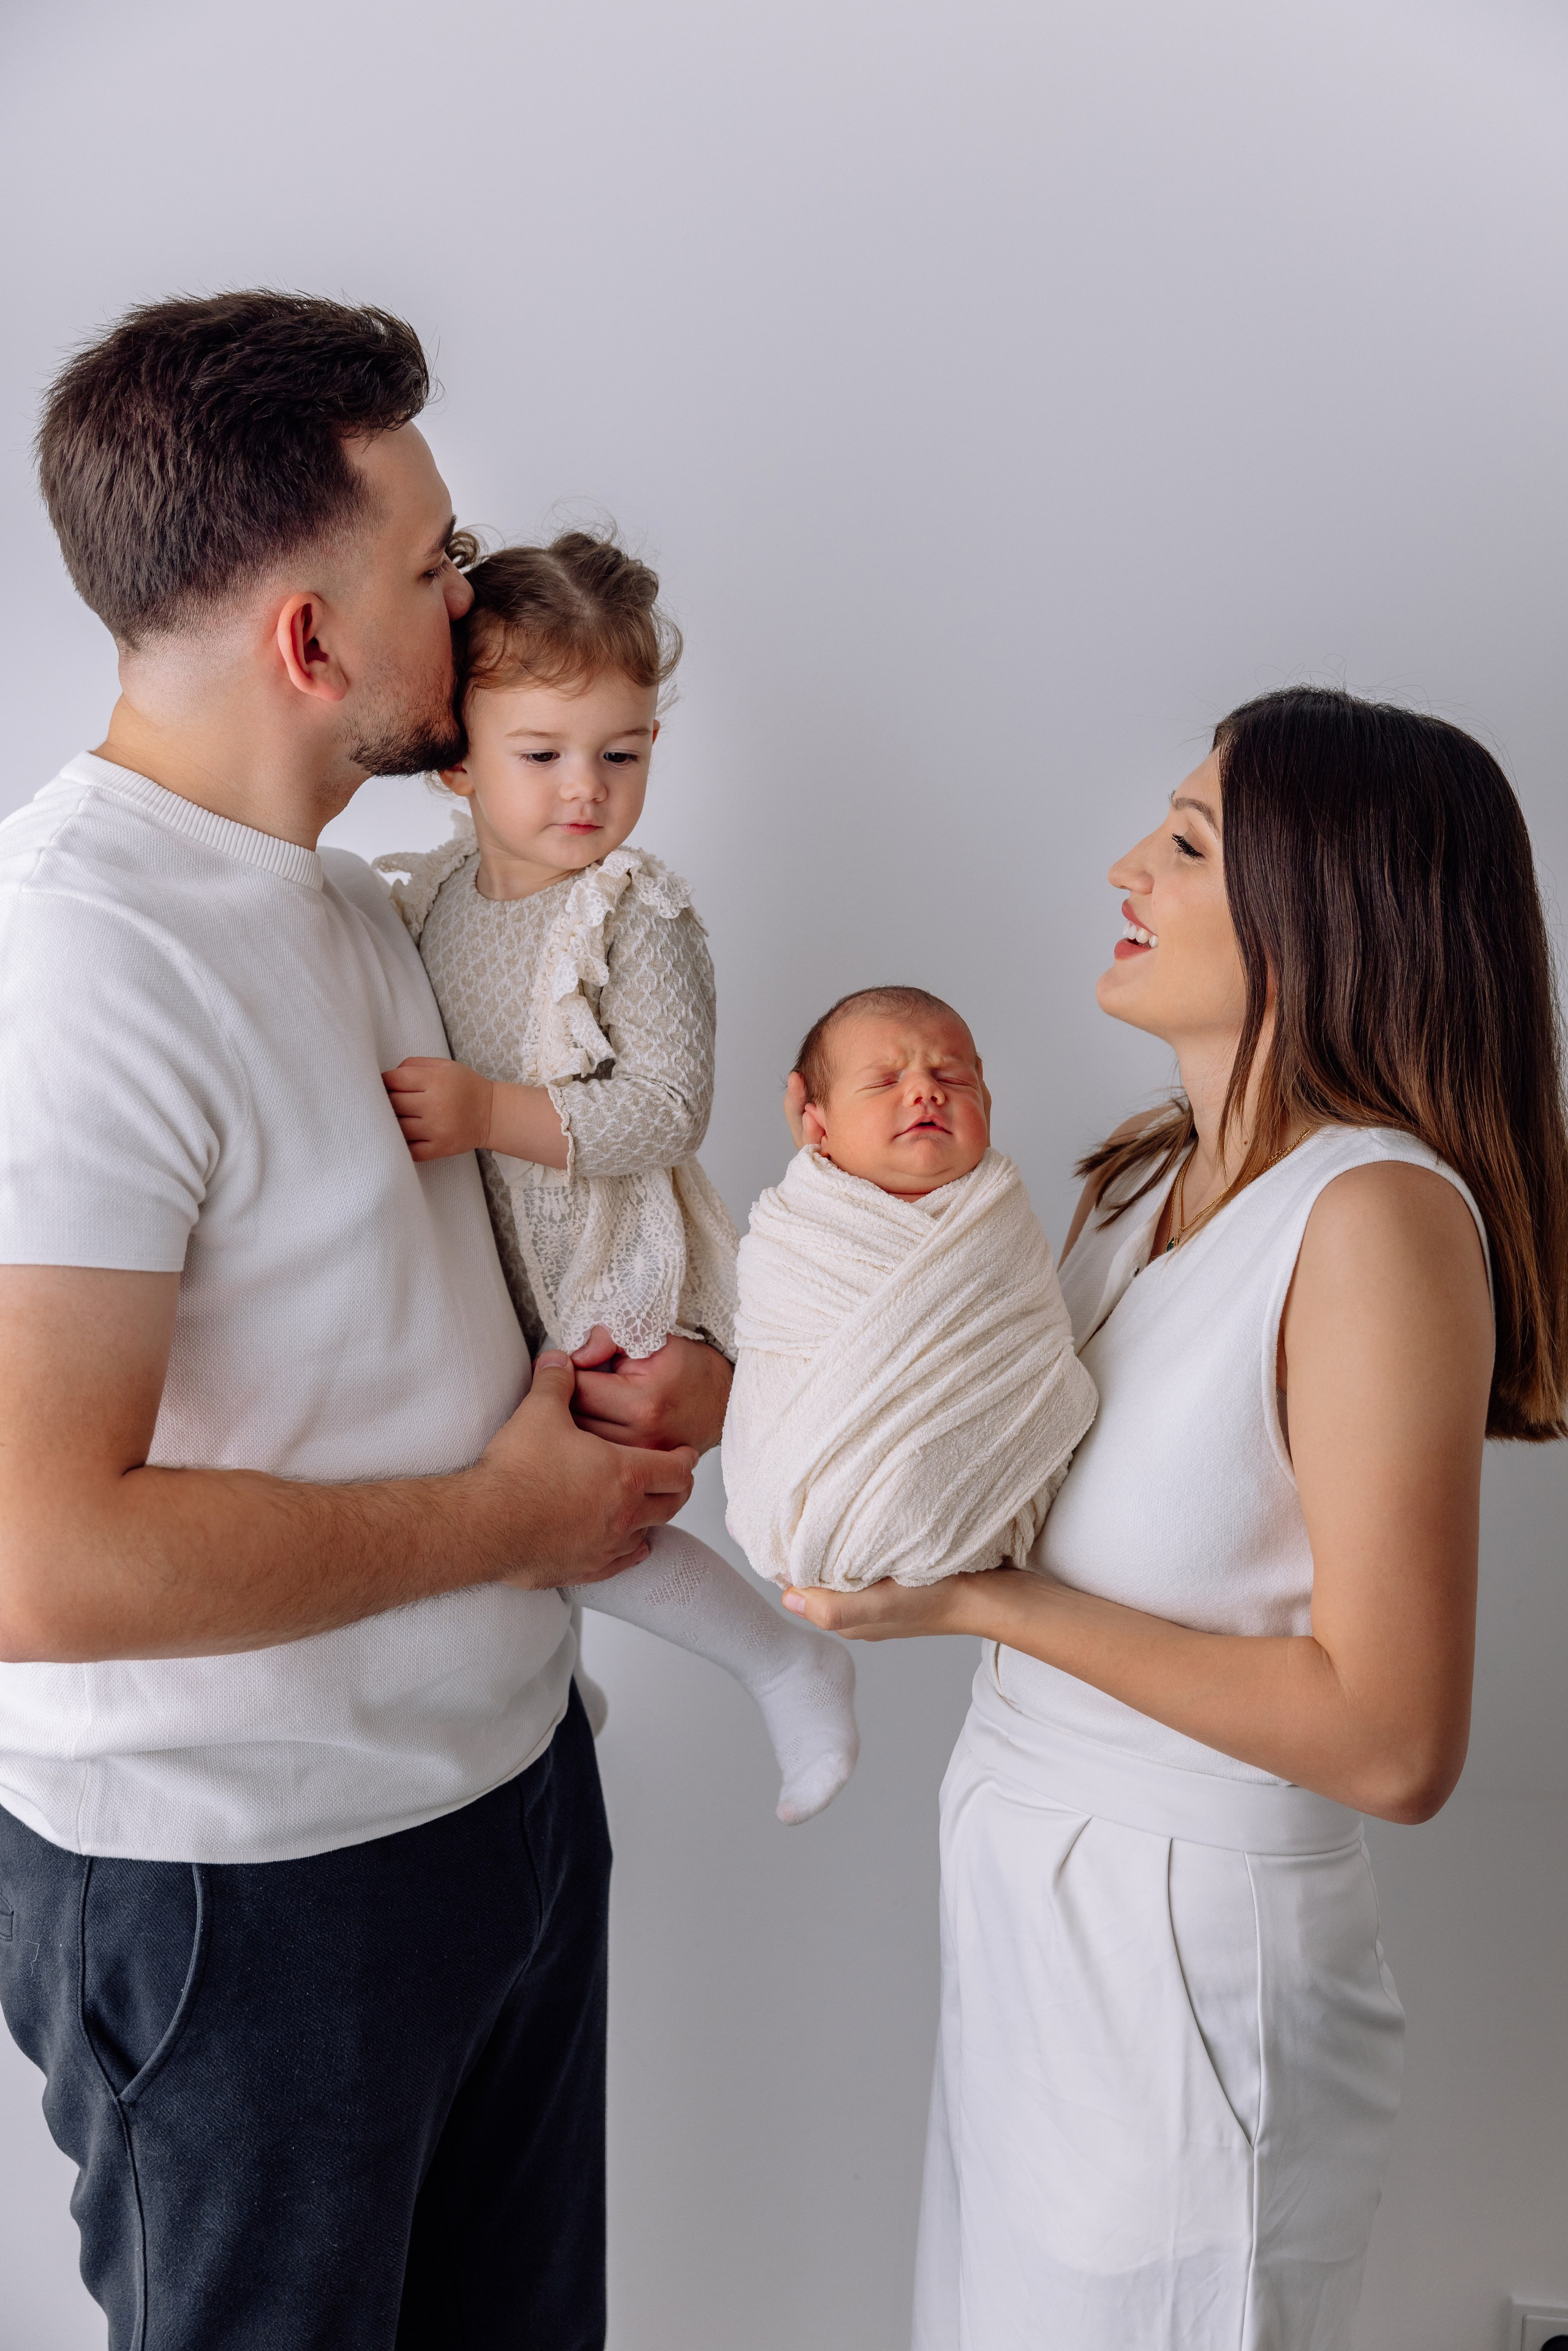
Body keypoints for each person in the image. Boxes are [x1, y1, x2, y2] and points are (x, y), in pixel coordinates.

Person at [0, 291, 729, 2351]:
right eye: (435, 562)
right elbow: (33, 1557)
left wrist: (672, 1366)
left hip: (499, 1813)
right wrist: (505, 1522)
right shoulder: (76, 963)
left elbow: (482, 1270)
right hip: (254, 1907)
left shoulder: (352, 897)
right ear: (312, 647)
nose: (473, 590)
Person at [783, 687, 1568, 2349]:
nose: (1130, 861)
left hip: (1189, 1977)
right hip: (1031, 1908)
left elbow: (1393, 1736)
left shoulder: (1373, 1220)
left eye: (1192, 840)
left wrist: (986, 1606)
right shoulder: (1137, 1182)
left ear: (1326, 904)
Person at [374, 534, 858, 1825]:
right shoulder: (426, 900)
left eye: (623, 753)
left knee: (581, 1486)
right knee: (497, 1478)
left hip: (599, 1250)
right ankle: (550, 1682)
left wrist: (485, 1110)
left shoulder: (633, 911)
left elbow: (661, 1106)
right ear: (456, 756)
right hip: (492, 1263)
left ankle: (782, 1657)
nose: (585, 790)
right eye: (542, 754)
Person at [722, 986, 1095, 1591]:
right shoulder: (799, 1230)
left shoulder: (998, 1223)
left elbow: (1029, 1345)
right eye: (883, 1081)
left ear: (988, 1104)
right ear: (816, 1122)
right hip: (814, 1503)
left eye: (951, 1076)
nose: (925, 1091)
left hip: (997, 1505)